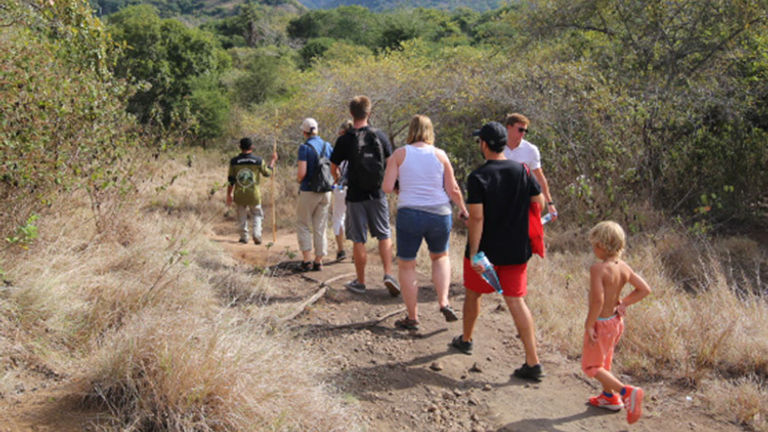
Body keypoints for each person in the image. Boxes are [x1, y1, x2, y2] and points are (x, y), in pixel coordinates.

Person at [450, 121, 546, 383]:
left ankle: (466, 340)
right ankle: (533, 362)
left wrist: (474, 252)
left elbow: (477, 219)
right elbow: (538, 202)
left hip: (486, 253)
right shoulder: (523, 171)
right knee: (516, 300)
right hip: (516, 249)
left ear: (483, 144)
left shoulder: (478, 176)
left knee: (473, 294)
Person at [382, 114, 468, 330]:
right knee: (440, 256)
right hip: (439, 212)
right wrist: (463, 208)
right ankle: (444, 301)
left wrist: (401, 189)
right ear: (430, 131)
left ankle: (412, 317)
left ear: (410, 130)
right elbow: (453, 189)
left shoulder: (399, 154)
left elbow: (386, 187)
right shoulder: (440, 155)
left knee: (407, 263)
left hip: (410, 212)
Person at [330, 95, 400, 296]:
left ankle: (360, 282)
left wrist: (338, 178)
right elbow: (391, 162)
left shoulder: (345, 139)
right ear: (369, 113)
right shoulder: (380, 136)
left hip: (355, 195)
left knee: (358, 239)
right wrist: (393, 185)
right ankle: (388, 274)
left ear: (351, 114)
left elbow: (333, 165)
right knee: (384, 234)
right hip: (377, 194)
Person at [582, 221, 651, 424]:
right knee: (605, 361)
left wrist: (589, 324)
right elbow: (644, 289)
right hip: (615, 321)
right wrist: (624, 303)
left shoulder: (598, 269)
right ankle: (609, 397)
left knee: (591, 366)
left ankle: (626, 392)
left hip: (601, 322)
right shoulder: (623, 267)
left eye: (594, 245)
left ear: (602, 246)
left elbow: (597, 300)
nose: (593, 249)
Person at [503, 113, 557, 221]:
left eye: (525, 131)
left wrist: (550, 203)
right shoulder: (497, 147)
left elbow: (540, 178)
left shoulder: (531, 150)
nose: (523, 133)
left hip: (523, 200)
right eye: (520, 130)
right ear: (509, 127)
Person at [296, 118, 333, 272]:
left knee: (303, 224)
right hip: (326, 191)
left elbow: (301, 174)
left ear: (304, 132)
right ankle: (319, 261)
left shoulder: (304, 148)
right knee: (320, 226)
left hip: (309, 190)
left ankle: (307, 260)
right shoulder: (328, 146)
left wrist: (298, 180)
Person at [226, 137, 277, 245]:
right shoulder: (258, 161)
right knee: (257, 214)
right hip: (254, 194)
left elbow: (231, 180)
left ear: (240, 147)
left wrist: (229, 194)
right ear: (252, 147)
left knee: (241, 215)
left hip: (239, 194)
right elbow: (267, 173)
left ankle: (244, 237)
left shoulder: (234, 161)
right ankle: (257, 234)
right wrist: (272, 161)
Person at [331, 120, 354, 261]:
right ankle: (357, 252)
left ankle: (341, 250)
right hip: (357, 187)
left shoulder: (341, 144)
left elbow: (334, 167)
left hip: (342, 187)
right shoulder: (361, 143)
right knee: (356, 219)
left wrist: (337, 179)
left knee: (338, 217)